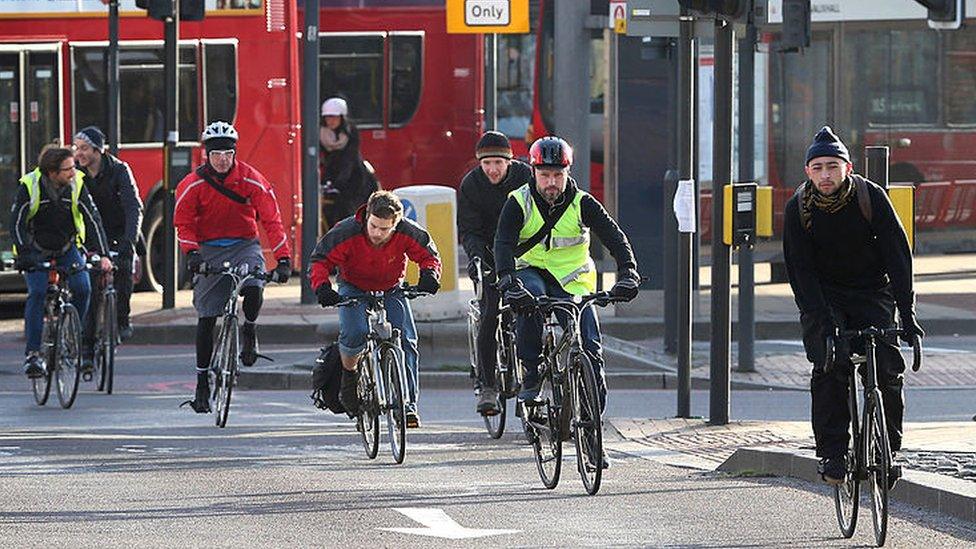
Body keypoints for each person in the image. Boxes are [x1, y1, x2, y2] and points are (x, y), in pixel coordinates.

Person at [783, 126, 924, 486]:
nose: (825, 175)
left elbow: (897, 253)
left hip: (873, 291)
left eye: (832, 166)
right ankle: (832, 453)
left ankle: (887, 451)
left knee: (887, 370)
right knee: (831, 365)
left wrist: (906, 312)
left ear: (847, 167)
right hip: (824, 297)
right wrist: (822, 322)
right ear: (808, 172)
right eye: (818, 168)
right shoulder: (798, 208)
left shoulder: (869, 196)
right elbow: (800, 271)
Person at [493, 136, 640, 467]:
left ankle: (591, 434)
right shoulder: (518, 201)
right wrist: (506, 281)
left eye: (557, 175)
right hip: (530, 271)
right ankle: (531, 375)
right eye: (544, 175)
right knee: (531, 302)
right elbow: (502, 244)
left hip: (573, 278)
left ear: (568, 172)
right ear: (533, 172)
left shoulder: (582, 202)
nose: (551, 182)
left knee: (591, 350)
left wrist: (628, 272)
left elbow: (614, 237)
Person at [175, 121, 292, 413]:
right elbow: (183, 223)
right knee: (206, 317)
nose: (223, 160)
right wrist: (192, 255)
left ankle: (249, 330)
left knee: (254, 286)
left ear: (235, 153)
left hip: (244, 245)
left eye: (228, 153)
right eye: (216, 154)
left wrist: (284, 259)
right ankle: (202, 382)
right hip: (208, 249)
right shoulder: (192, 185)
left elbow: (272, 220)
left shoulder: (251, 179)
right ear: (206, 155)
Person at [308, 191, 441, 428]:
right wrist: (323, 288)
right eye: (374, 226)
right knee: (354, 333)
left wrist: (429, 275)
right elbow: (320, 260)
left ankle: (407, 405)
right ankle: (349, 377)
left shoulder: (407, 231)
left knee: (407, 340)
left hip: (391, 287)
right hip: (353, 287)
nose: (378, 233)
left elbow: (428, 255)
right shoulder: (345, 231)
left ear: (396, 224)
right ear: (366, 216)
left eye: (385, 229)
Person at [9, 147, 111, 378]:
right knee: (37, 293)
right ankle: (33, 354)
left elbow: (92, 219)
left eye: (74, 167)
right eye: (68, 169)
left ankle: (70, 332)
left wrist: (103, 254)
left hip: (67, 247)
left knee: (83, 288)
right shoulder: (30, 185)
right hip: (36, 249)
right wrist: (25, 255)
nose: (74, 172)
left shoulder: (77, 184)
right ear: (52, 173)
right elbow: (16, 224)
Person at [457, 131, 533, 416]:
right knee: (490, 314)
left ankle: (529, 375)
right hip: (488, 258)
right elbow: (469, 229)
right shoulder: (471, 185)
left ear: (509, 162)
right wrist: (477, 257)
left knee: (527, 310)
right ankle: (488, 385)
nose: (492, 169)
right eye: (487, 163)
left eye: (498, 163)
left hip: (522, 255)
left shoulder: (525, 177)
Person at [73, 126, 144, 349]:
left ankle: (122, 318)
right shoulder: (74, 172)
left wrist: (129, 243)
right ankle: (87, 344)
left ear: (99, 150)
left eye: (84, 148)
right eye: (76, 148)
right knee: (91, 283)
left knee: (123, 270)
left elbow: (134, 208)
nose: (79, 154)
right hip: (91, 235)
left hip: (119, 232)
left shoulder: (119, 170)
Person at [319, 97, 378, 228]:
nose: (331, 121)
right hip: (332, 176)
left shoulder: (351, 133)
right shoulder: (321, 134)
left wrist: (339, 183)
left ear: (342, 117)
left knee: (349, 211)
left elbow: (349, 160)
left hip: (355, 179)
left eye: (334, 117)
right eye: (328, 117)